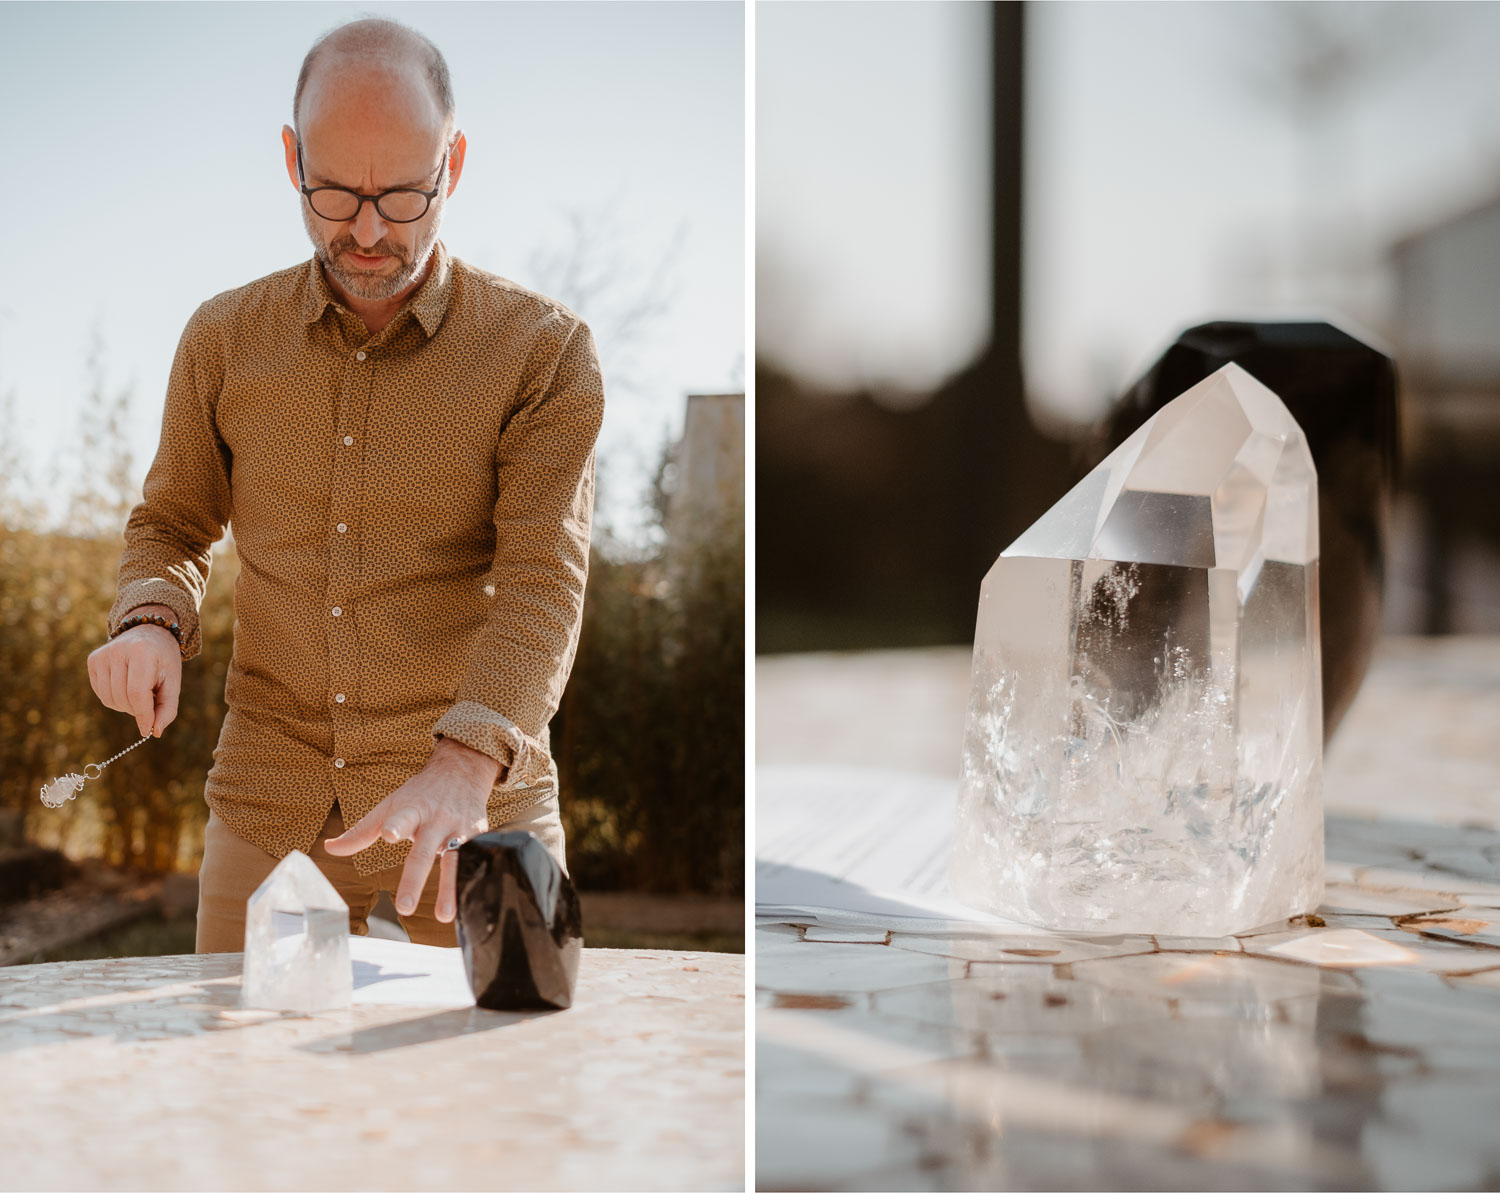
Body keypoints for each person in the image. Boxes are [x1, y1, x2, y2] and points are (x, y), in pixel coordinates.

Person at [84, 17, 604, 952]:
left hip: (484, 793)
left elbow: (542, 583)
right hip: (271, 798)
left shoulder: (545, 353)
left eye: (405, 195)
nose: (367, 230)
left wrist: (465, 758)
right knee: (240, 1075)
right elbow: (171, 524)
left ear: (455, 163)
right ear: (291, 157)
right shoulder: (222, 338)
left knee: (527, 1063)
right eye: (334, 192)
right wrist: (151, 618)